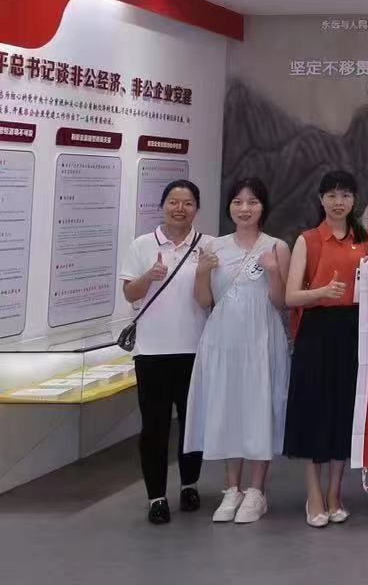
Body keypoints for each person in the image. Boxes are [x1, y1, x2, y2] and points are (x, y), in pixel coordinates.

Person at [185, 178, 290, 525]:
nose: (245, 209)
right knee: (229, 407)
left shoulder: (277, 247)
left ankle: (257, 491)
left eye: (253, 202)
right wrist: (202, 273)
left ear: (263, 207)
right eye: (238, 202)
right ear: (229, 206)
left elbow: (281, 301)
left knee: (259, 407)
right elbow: (204, 301)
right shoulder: (213, 246)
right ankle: (232, 489)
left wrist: (273, 272)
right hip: (224, 338)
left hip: (261, 337)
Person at [284, 169, 368, 528]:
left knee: (343, 413)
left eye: (346, 195)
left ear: (355, 200)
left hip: (352, 332)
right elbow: (291, 296)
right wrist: (321, 293)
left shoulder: (366, 239)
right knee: (314, 412)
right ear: (321, 199)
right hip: (316, 332)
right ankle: (314, 495)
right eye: (332, 195)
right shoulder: (308, 240)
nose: (339, 202)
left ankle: (336, 493)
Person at [118, 179, 208, 524]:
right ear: (162, 205)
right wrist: (149, 276)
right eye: (173, 201)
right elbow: (130, 293)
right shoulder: (142, 245)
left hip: (195, 349)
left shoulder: (207, 246)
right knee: (154, 427)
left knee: (191, 424)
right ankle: (156, 496)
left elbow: (212, 296)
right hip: (152, 352)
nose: (179, 208)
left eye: (187, 203)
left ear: (196, 209)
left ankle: (189, 485)